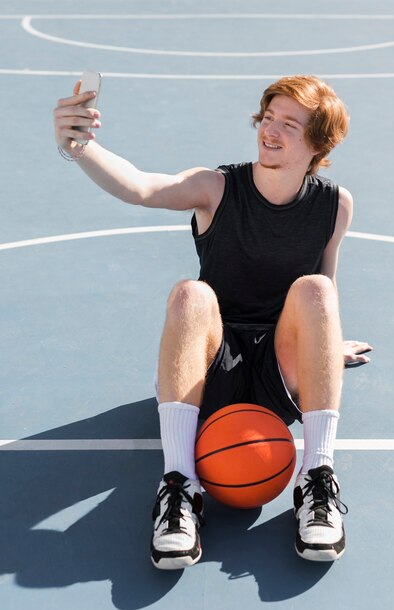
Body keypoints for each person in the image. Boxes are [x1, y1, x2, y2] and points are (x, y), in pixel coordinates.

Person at [53, 74, 372, 570]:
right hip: (211, 367)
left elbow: (324, 284)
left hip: (279, 373)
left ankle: (317, 479)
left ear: (318, 141)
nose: (271, 130)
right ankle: (179, 487)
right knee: (191, 293)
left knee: (316, 289)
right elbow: (141, 187)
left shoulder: (335, 205)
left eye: (290, 123)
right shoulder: (217, 188)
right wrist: (80, 147)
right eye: (269, 117)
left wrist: (327, 345)